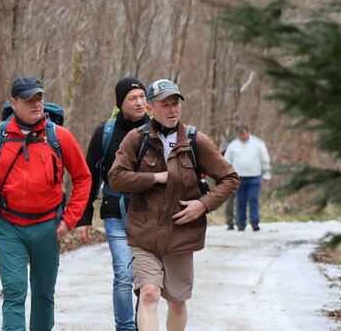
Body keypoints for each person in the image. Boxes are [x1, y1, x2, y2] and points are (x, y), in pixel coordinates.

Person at [108, 79, 239, 331]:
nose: (172, 109)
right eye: (165, 104)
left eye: (175, 103)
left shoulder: (196, 140)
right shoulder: (136, 139)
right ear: (150, 108)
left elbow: (230, 179)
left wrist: (203, 204)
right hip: (144, 234)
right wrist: (154, 178)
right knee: (148, 293)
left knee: (177, 302)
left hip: (181, 234)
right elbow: (115, 177)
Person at [0, 76, 91, 331]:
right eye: (29, 100)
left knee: (44, 295)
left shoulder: (60, 137)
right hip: (8, 226)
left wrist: (69, 220)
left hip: (48, 226)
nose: (37, 104)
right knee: (14, 293)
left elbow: (83, 177)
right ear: (14, 103)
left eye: (39, 98)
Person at [75, 77, 150, 331]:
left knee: (146, 279)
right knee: (123, 275)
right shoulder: (105, 133)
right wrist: (84, 218)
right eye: (133, 98)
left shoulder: (157, 130)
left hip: (150, 216)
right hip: (116, 214)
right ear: (120, 102)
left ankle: (143, 324)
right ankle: (125, 328)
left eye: (142, 96)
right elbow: (89, 178)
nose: (140, 102)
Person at [224, 124, 271, 231]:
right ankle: (241, 224)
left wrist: (267, 173)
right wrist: (227, 175)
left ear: (248, 132)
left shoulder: (258, 143)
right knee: (241, 201)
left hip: (254, 176)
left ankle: (255, 222)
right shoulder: (233, 145)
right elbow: (227, 161)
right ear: (237, 134)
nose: (243, 136)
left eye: (244, 134)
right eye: (240, 134)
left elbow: (265, 159)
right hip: (239, 178)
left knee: (253, 199)